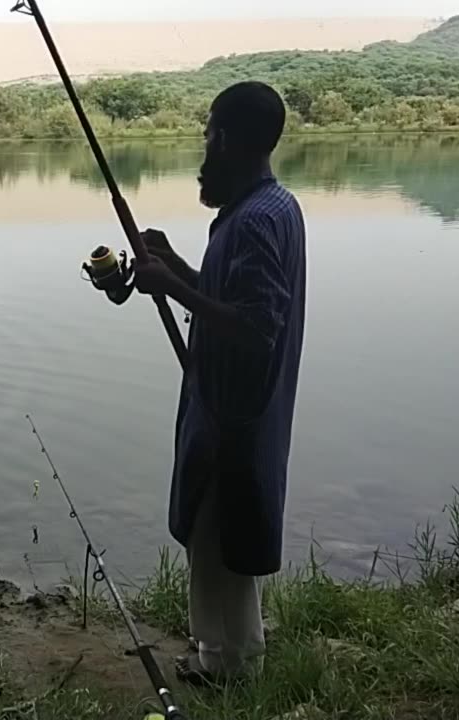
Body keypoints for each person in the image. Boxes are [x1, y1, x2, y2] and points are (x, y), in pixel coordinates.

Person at [131, 81, 307, 685]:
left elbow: (257, 327)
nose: (204, 147)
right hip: (238, 409)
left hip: (234, 416)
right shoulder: (272, 206)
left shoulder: (255, 221)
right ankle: (239, 657)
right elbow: (233, 296)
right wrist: (174, 264)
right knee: (224, 542)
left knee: (214, 540)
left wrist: (171, 288)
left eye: (208, 133)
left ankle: (219, 665)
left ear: (227, 139)